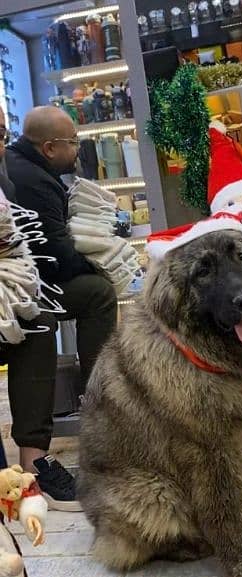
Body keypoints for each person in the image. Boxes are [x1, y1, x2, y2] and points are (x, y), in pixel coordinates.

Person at [5, 105, 117, 396]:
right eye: (74, 142)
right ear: (50, 148)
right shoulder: (36, 181)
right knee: (99, 292)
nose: (78, 149)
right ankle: (99, 396)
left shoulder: (20, 168)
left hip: (19, 281)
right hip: (24, 290)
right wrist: (99, 265)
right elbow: (56, 256)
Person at [0, 107, 79, 509]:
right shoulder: (24, 176)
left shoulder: (6, 180)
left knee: (36, 324)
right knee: (93, 295)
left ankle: (33, 466)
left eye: (1, 131)